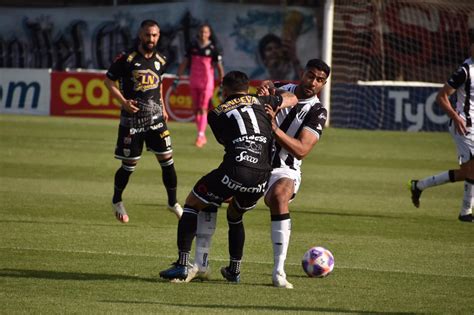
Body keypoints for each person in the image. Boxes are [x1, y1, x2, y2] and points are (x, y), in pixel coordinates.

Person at [159, 70, 298, 281]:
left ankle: (182, 264)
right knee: (234, 215)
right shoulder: (262, 100)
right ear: (248, 88)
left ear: (224, 90)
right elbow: (293, 97)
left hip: (237, 168)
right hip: (262, 177)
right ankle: (234, 271)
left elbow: (227, 141)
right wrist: (274, 96)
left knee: (193, 202)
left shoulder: (216, 113)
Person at [259, 59, 330, 288]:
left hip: (284, 169)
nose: (314, 82)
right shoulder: (282, 88)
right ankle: (201, 261)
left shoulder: (318, 111)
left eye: (320, 80)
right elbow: (268, 86)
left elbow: (301, 150)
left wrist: (275, 129)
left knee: (280, 197)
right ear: (302, 73)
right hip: (254, 164)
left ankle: (278, 271)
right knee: (214, 194)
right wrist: (265, 87)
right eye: (311, 76)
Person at [104, 19, 183, 223]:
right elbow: (108, 81)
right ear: (141, 35)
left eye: (154, 35)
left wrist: (164, 108)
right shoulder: (127, 59)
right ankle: (117, 200)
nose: (151, 39)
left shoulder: (161, 60)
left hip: (156, 118)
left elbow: (160, 84)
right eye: (148, 35)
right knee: (129, 165)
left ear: (158, 36)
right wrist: (123, 102)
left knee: (168, 161)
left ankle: (172, 202)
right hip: (132, 120)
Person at [409, 34, 474, 223]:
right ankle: (465, 213)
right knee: (472, 172)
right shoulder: (465, 70)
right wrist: (455, 117)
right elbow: (441, 97)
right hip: (465, 126)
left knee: (466, 173)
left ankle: (419, 186)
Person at [175, 23, 224, 148]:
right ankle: (201, 134)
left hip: (207, 81)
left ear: (209, 34)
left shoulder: (213, 48)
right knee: (196, 109)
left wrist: (222, 83)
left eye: (205, 32)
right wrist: (177, 78)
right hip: (194, 80)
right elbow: (184, 62)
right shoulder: (192, 46)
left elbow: (219, 67)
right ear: (198, 33)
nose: (203, 34)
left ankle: (200, 135)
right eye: (201, 32)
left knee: (203, 108)